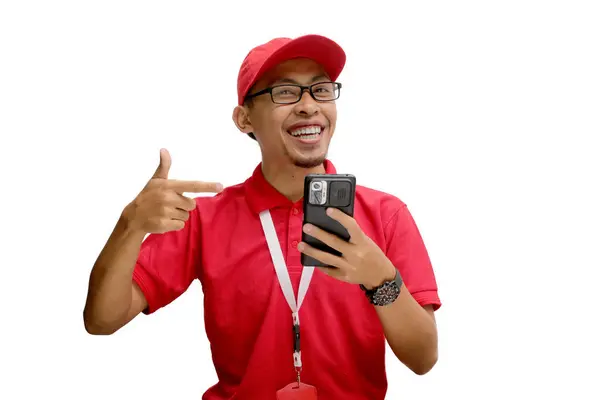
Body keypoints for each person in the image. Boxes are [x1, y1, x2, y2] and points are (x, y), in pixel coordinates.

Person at [83, 34, 442, 400]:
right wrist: (129, 225)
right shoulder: (204, 218)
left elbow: (423, 358)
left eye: (320, 89)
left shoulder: (386, 215)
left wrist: (381, 279)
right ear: (244, 119)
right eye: (285, 92)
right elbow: (102, 319)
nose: (308, 106)